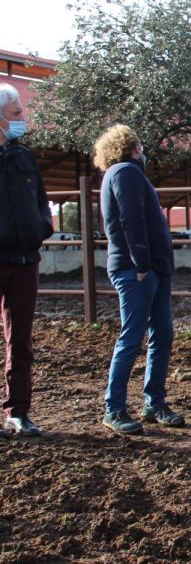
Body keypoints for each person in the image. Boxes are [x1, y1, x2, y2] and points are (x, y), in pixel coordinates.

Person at [93, 125, 183, 435]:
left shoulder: (124, 175)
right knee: (132, 337)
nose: (143, 152)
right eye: (141, 147)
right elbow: (131, 219)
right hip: (139, 270)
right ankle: (114, 408)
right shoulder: (126, 173)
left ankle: (153, 402)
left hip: (152, 268)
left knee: (162, 334)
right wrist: (142, 263)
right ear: (132, 148)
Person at [0, 83, 52, 437]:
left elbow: (41, 200)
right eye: (17, 113)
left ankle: (18, 411)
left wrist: (42, 227)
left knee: (20, 339)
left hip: (24, 259)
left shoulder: (24, 157)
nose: (22, 119)